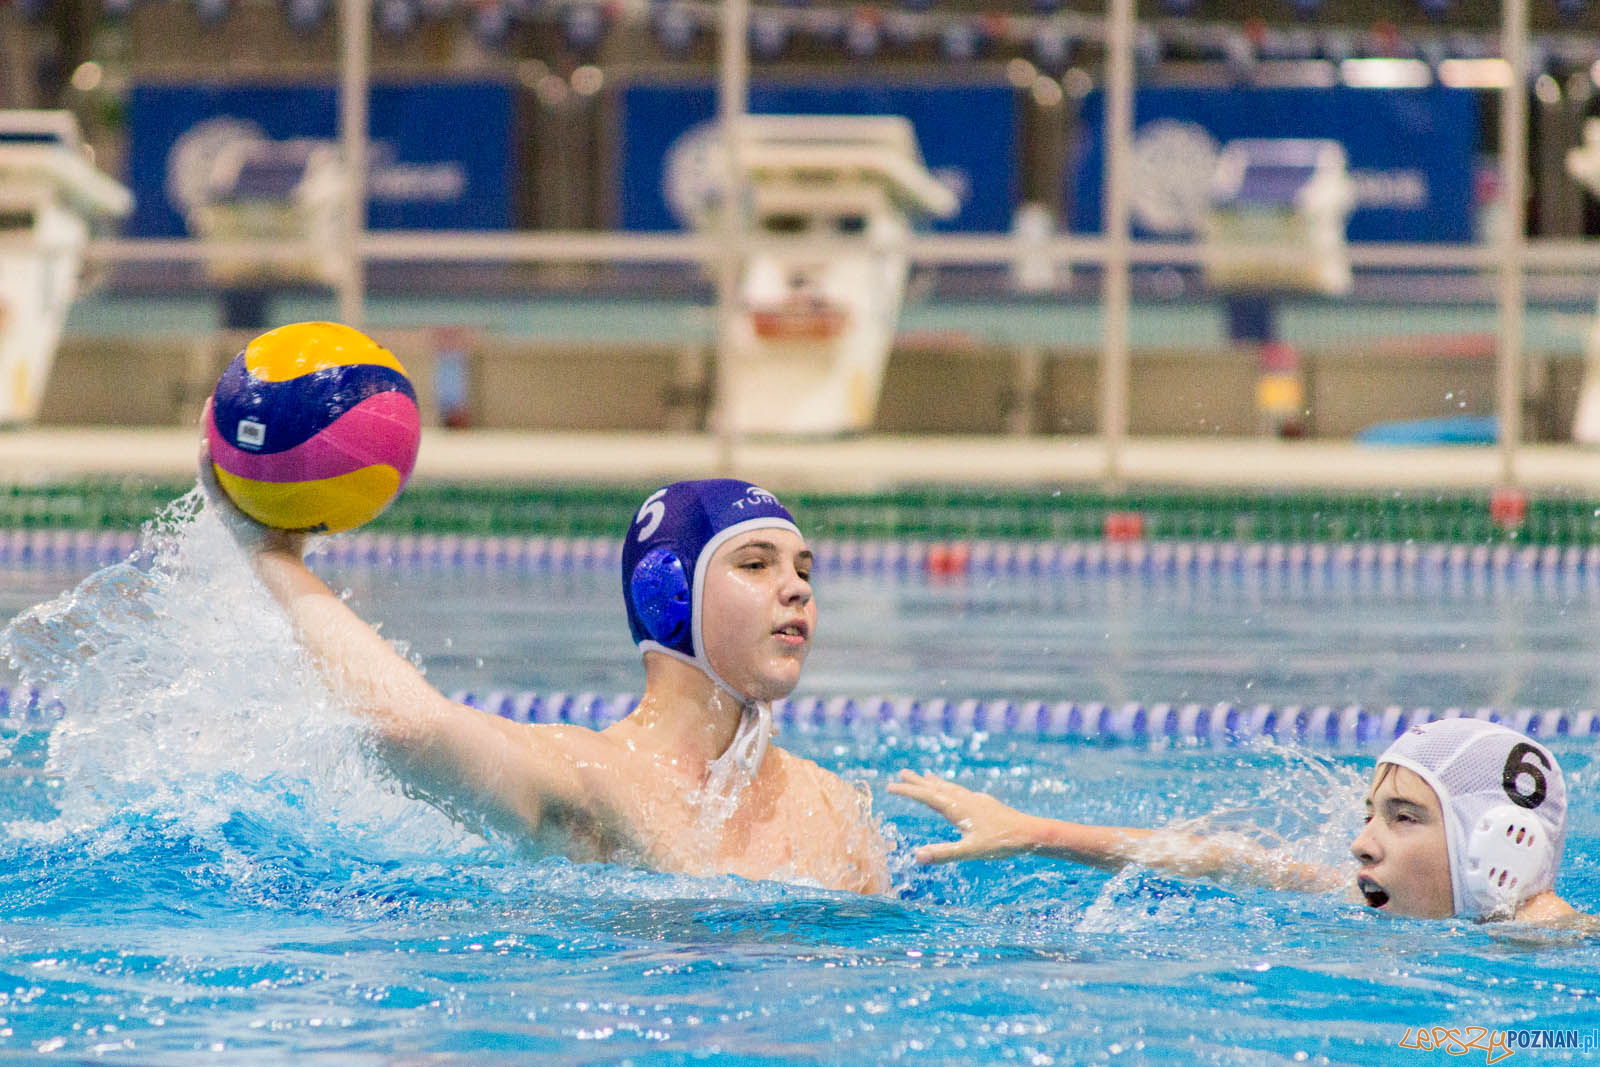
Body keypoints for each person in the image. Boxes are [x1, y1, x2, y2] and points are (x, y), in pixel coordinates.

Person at [200, 452, 890, 894]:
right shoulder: (588, 779)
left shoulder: (834, 808)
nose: (796, 588)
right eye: (755, 563)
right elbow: (406, 726)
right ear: (668, 593)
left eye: (802, 569)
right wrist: (273, 557)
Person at [890, 717, 1579, 923]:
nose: (1361, 841)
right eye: (1372, 812)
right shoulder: (1352, 897)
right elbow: (1221, 857)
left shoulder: (1554, 941)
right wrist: (1034, 831)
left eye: (1404, 818)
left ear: (1496, 850)